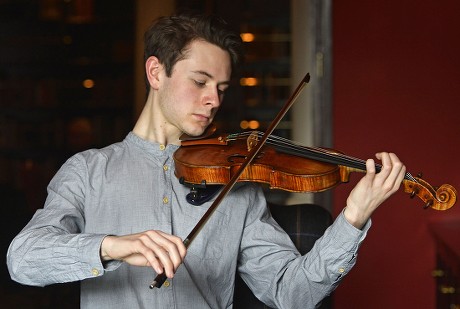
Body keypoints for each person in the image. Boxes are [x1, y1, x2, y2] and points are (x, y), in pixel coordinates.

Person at [7, 12, 406, 309]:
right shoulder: (88, 171)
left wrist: (353, 218)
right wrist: (113, 246)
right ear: (155, 72)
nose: (214, 99)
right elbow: (23, 260)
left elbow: (291, 293)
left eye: (221, 88)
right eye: (199, 82)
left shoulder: (238, 187)